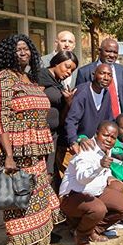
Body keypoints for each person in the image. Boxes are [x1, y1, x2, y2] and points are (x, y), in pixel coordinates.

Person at [0, 35, 64, 245]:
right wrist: (9, 157)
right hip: (15, 149)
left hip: (35, 148)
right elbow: (2, 117)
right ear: (8, 53)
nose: (23, 53)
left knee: (37, 195)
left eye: (26, 49)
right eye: (17, 50)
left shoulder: (30, 79)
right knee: (16, 197)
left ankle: (33, 243)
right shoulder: (2, 78)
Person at [59, 121, 123, 245]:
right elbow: (82, 178)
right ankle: (81, 236)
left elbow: (105, 170)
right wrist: (99, 165)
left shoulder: (106, 150)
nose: (109, 139)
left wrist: (109, 176)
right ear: (96, 134)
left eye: (113, 137)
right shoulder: (85, 149)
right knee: (98, 209)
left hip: (95, 193)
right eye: (106, 135)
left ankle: (92, 230)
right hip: (72, 196)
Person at [38, 50, 79, 190]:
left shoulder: (59, 85)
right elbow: (33, 102)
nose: (69, 72)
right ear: (56, 61)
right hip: (38, 135)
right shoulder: (40, 76)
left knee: (50, 173)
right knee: (40, 173)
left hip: (53, 135)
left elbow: (61, 119)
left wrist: (68, 102)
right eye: (67, 66)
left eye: (72, 70)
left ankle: (49, 208)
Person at [65, 64, 115, 156]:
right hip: (76, 147)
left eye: (109, 75)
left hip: (94, 148)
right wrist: (73, 141)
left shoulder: (106, 94)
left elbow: (109, 120)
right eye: (103, 73)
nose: (106, 78)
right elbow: (71, 120)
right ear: (93, 74)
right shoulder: (83, 92)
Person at [76, 38, 123, 118]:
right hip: (96, 121)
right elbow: (79, 100)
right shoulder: (84, 72)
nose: (112, 55)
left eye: (115, 52)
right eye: (108, 51)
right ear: (99, 51)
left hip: (118, 120)